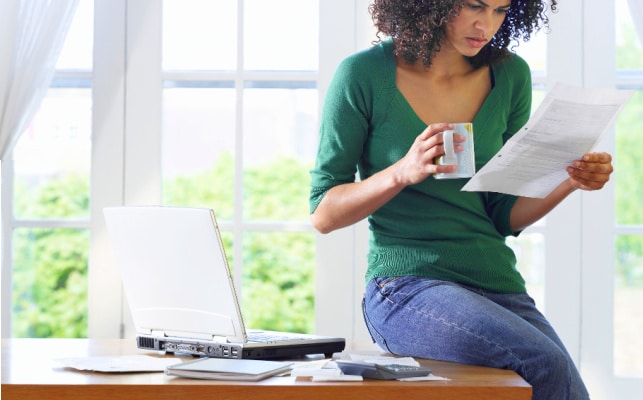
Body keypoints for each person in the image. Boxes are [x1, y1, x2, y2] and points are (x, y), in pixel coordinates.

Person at [309, 1, 613, 399]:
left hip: (498, 286)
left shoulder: (509, 74)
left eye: (501, 10)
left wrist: (569, 182)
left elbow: (504, 215)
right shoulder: (363, 74)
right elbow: (323, 212)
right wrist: (401, 172)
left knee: (570, 390)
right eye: (473, 5)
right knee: (544, 363)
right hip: (406, 287)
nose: (485, 24)